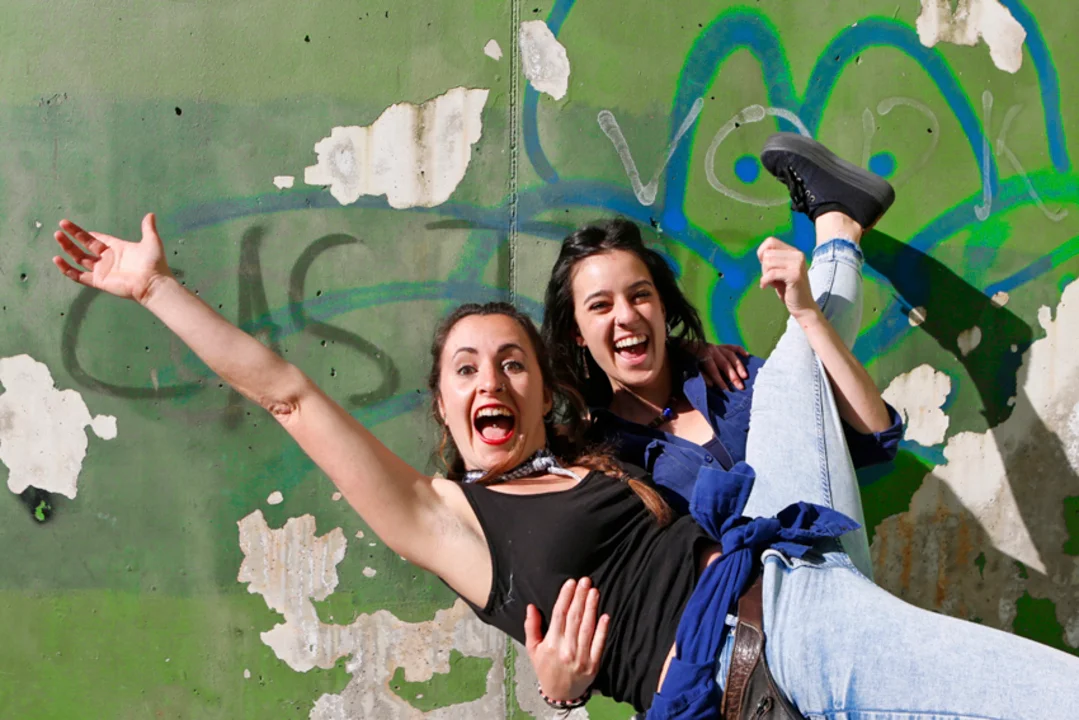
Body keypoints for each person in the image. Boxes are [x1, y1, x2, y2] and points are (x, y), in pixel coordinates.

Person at [50, 136, 1079, 720]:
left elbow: (691, 414)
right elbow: (289, 395)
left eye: (511, 362)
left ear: (547, 391)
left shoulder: (605, 460)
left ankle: (838, 229)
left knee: (789, 379)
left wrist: (705, 360)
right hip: (746, 677)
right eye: (465, 369)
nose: (490, 380)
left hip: (792, 588)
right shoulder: (449, 521)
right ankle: (840, 229)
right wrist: (155, 292)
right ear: (444, 405)